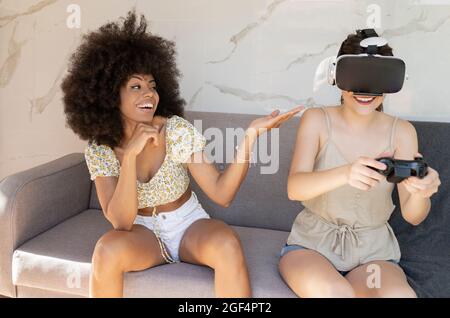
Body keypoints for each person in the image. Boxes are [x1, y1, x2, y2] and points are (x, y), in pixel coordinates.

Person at [61, 10, 302, 297]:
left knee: (227, 244)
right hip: (141, 233)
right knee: (106, 250)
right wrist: (129, 158)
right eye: (136, 86)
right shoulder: (100, 148)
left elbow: (221, 194)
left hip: (188, 224)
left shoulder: (175, 130)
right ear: (109, 95)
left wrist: (249, 137)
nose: (149, 94)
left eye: (152, 86)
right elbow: (121, 222)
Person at [279, 30, 441, 298]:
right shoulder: (317, 120)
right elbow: (295, 188)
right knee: (335, 293)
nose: (366, 91)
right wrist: (346, 173)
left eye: (377, 79)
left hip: (373, 255)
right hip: (312, 247)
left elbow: (413, 215)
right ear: (336, 77)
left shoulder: (402, 132)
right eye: (357, 76)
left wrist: (421, 193)